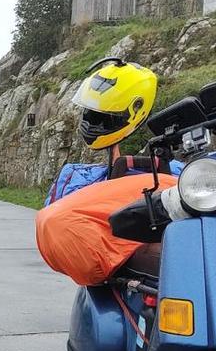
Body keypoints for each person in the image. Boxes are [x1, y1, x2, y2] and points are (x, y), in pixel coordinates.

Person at [35, 60, 161, 285]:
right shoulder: (170, 170)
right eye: (90, 115)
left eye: (104, 117)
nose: (91, 123)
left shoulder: (75, 176)